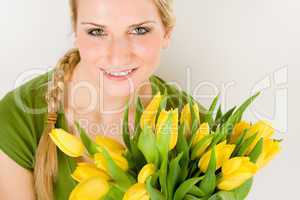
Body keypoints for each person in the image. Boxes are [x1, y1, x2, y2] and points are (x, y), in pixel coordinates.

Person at [0, 0, 206, 199]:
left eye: (139, 30)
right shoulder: (19, 118)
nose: (117, 56)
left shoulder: (196, 126)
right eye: (97, 32)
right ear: (75, 30)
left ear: (167, 32)